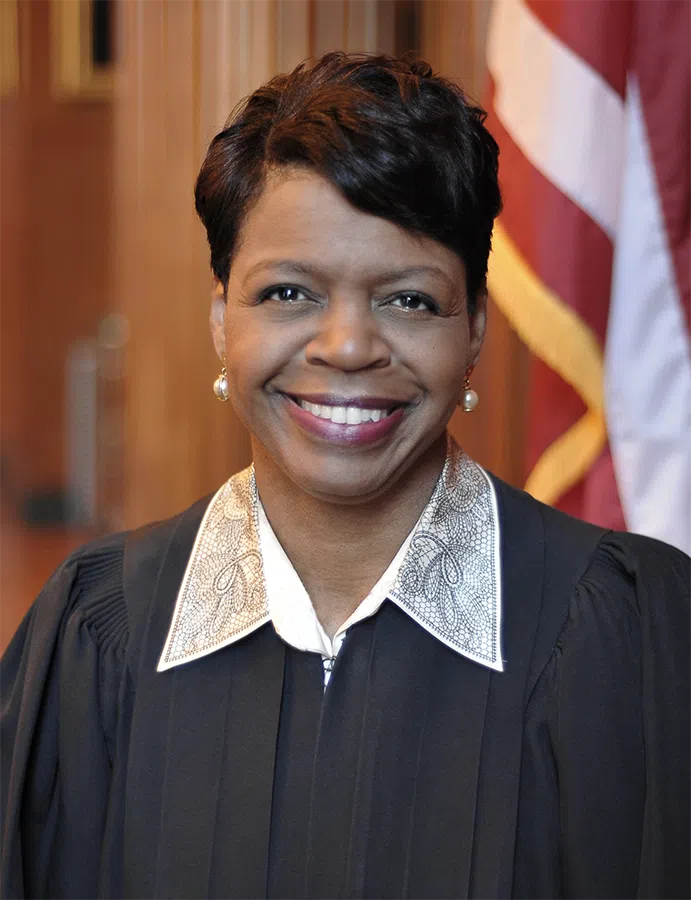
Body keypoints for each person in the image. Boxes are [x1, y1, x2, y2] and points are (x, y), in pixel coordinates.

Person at [1, 52, 690, 900]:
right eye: (288, 293)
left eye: (408, 300)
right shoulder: (96, 632)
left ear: (473, 329)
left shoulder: (626, 632)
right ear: (221, 319)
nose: (348, 347)